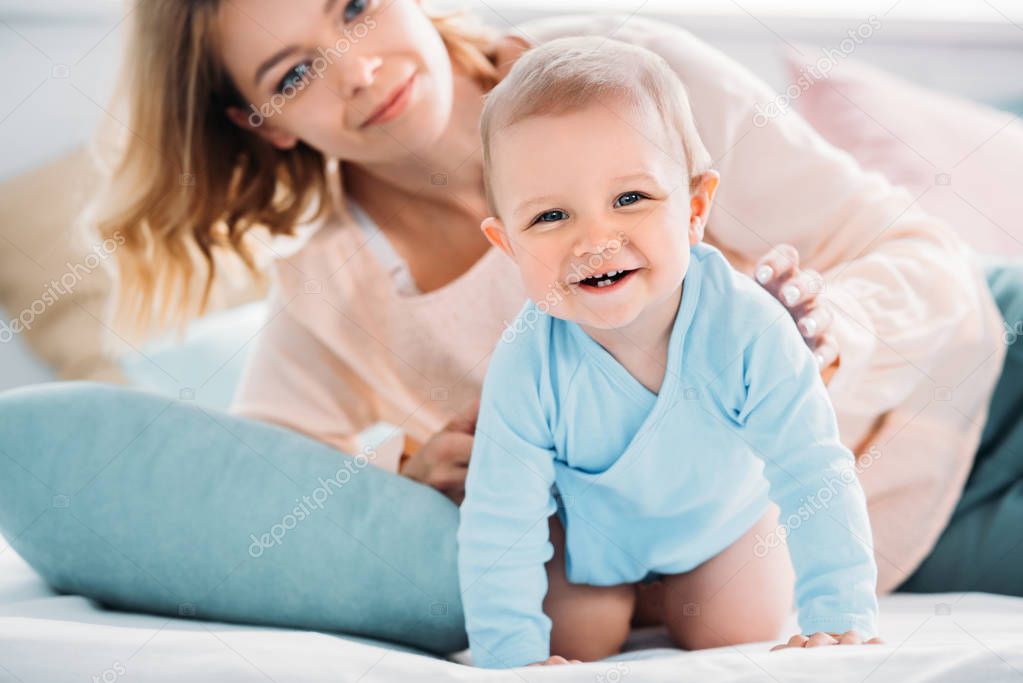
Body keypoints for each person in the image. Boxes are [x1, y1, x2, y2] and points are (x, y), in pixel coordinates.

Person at [87, 0, 1015, 648]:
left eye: (356, 3)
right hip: (902, 531)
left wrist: (822, 330)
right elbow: (265, 490)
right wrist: (405, 465)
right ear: (263, 121)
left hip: (978, 368)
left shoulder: (628, 78)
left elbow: (913, 250)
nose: (360, 70)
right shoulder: (331, 290)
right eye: (295, 73)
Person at [456, 36, 882, 668]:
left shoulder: (746, 328)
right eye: (550, 216)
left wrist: (840, 616)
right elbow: (499, 520)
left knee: (733, 629)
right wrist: (509, 654)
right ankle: (624, 597)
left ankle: (681, 592)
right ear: (506, 244)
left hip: (720, 528)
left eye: (630, 199)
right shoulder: (527, 362)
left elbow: (813, 470)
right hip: (591, 541)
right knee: (575, 642)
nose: (596, 240)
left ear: (695, 209)